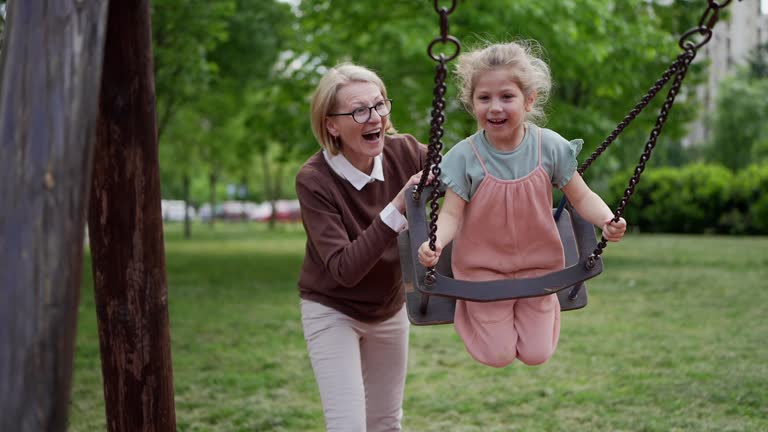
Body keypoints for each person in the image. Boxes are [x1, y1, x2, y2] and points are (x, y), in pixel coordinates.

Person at [417, 41, 627, 368]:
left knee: (536, 354)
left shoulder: (550, 147)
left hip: (539, 266)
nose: (495, 107)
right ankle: (471, 310)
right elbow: (451, 214)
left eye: (507, 97)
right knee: (498, 355)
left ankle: (524, 313)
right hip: (482, 270)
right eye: (484, 98)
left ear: (529, 101)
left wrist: (607, 219)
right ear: (472, 104)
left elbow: (581, 196)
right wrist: (436, 241)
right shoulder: (464, 156)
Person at [295, 62, 429, 432]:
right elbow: (344, 269)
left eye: (380, 105)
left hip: (388, 307)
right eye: (359, 110)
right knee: (348, 426)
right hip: (333, 309)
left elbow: (465, 179)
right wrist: (397, 206)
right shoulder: (314, 180)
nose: (375, 118)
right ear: (331, 125)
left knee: (386, 422)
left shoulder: (406, 153)